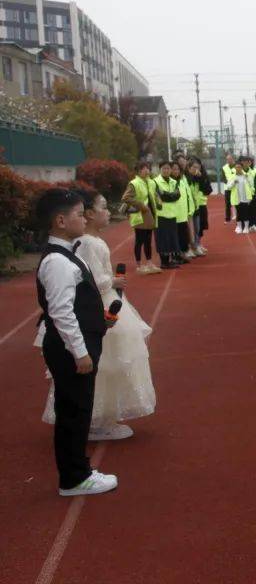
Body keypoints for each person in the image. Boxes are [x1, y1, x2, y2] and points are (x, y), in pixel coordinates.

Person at [43, 189, 156, 440]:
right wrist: (112, 281)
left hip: (105, 300)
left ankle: (103, 415)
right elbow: (91, 279)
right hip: (99, 302)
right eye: (103, 208)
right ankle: (96, 419)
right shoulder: (87, 244)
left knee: (110, 361)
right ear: (90, 215)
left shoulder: (91, 241)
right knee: (106, 361)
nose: (108, 213)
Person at [33, 188, 119, 496]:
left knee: (77, 409)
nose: (84, 219)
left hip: (78, 343)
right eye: (79, 214)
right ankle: (74, 477)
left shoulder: (67, 253)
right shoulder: (57, 261)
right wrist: (80, 352)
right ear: (60, 221)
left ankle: (77, 470)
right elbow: (60, 313)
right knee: (74, 412)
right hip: (70, 349)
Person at [121, 162, 162, 274]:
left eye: (148, 168)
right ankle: (139, 265)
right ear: (139, 171)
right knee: (139, 240)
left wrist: (158, 201)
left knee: (148, 240)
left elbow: (154, 194)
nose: (147, 170)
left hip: (150, 214)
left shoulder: (150, 182)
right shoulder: (134, 183)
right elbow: (126, 197)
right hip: (140, 215)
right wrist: (140, 205)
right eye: (144, 169)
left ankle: (149, 263)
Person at [153, 161, 182, 269]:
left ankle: (169, 260)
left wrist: (166, 195)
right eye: (164, 168)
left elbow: (177, 195)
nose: (166, 170)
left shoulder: (174, 182)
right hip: (161, 215)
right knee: (162, 239)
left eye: (168, 169)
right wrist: (169, 196)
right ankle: (164, 262)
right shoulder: (155, 182)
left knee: (171, 238)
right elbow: (160, 196)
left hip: (172, 214)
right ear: (160, 170)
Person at [226, 158, 255, 234]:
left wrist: (250, 196)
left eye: (239, 167)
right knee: (238, 213)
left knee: (245, 213)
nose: (238, 168)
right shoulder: (232, 177)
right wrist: (233, 182)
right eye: (236, 167)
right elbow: (228, 187)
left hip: (245, 198)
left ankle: (246, 227)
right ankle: (239, 227)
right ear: (235, 168)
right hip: (236, 198)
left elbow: (251, 186)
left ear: (242, 168)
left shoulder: (246, 176)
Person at [222, 153, 237, 222]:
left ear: (233, 159)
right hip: (227, 188)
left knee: (237, 202)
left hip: (236, 188)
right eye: (227, 159)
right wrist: (228, 183)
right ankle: (228, 219)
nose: (228, 160)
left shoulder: (237, 166)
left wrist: (234, 183)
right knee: (228, 204)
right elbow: (223, 178)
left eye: (230, 159)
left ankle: (238, 217)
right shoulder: (224, 167)